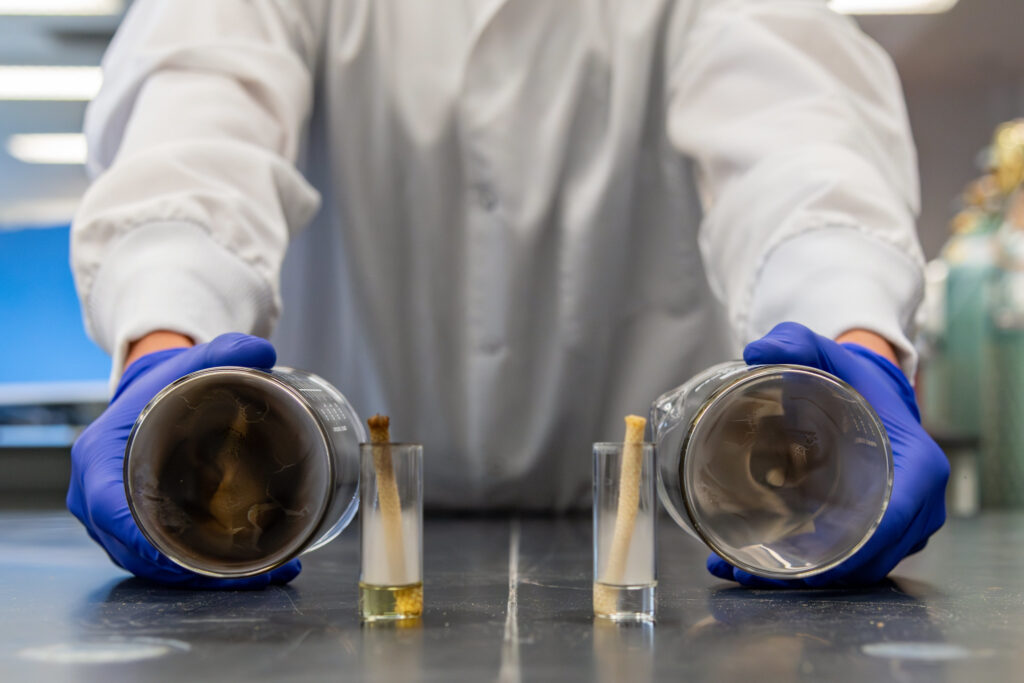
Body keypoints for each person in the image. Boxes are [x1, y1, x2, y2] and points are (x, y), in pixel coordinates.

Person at [68, 0, 948, 589]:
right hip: (321, 538)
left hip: (677, 545)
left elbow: (798, 138)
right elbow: (197, 122)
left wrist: (853, 340)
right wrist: (165, 345)